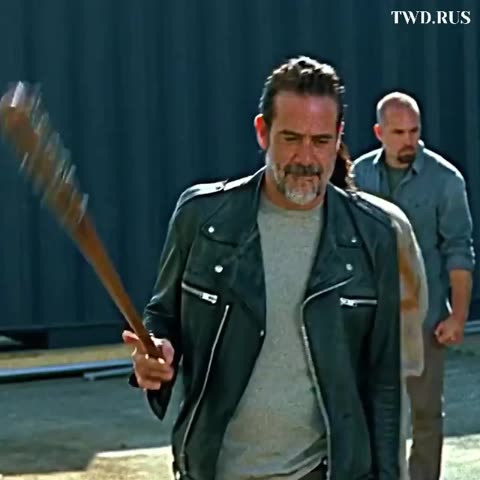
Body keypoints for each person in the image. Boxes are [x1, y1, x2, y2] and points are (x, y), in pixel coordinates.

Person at [123, 56, 407, 480]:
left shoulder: (373, 236)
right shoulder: (203, 218)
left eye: (321, 141)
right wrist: (155, 353)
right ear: (262, 132)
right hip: (215, 469)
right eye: (291, 138)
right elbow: (163, 317)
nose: (306, 157)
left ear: (338, 138)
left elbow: (384, 382)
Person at [351, 92, 476, 480]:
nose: (409, 141)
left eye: (414, 131)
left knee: (425, 413)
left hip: (423, 315)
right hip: (370, 315)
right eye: (398, 132)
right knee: (369, 407)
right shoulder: (358, 176)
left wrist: (458, 315)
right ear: (379, 132)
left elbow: (458, 250)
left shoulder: (445, 180)